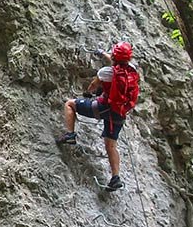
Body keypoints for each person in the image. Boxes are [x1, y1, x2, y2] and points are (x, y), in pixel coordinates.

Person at [56, 42, 140, 192]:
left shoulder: (105, 73)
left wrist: (88, 94)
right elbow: (116, 63)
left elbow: (92, 86)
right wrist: (102, 54)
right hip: (120, 113)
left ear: (114, 56)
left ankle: (70, 134)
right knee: (111, 145)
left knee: (70, 104)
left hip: (103, 108)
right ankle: (115, 177)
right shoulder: (132, 70)